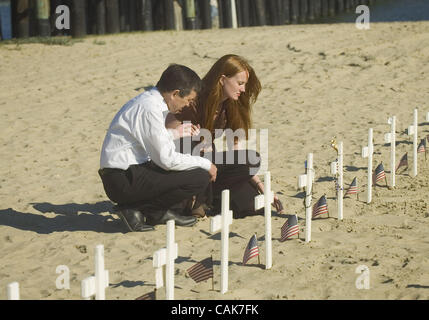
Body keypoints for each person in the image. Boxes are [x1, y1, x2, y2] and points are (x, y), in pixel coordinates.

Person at [99, 64, 217, 232]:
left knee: (190, 171)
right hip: (121, 179)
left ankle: (153, 211)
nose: (188, 105)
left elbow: (147, 142)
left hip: (126, 173)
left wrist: (174, 134)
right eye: (188, 100)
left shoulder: (149, 102)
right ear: (175, 94)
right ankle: (144, 211)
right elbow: (166, 160)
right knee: (199, 177)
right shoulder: (149, 108)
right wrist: (205, 163)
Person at [166, 54, 283, 219]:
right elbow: (166, 136)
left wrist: (261, 185)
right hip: (187, 165)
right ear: (222, 79)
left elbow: (237, 152)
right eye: (240, 83)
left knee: (252, 200)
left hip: (212, 167)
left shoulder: (232, 105)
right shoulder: (193, 100)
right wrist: (194, 138)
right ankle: (196, 200)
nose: (243, 89)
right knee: (196, 144)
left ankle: (210, 199)